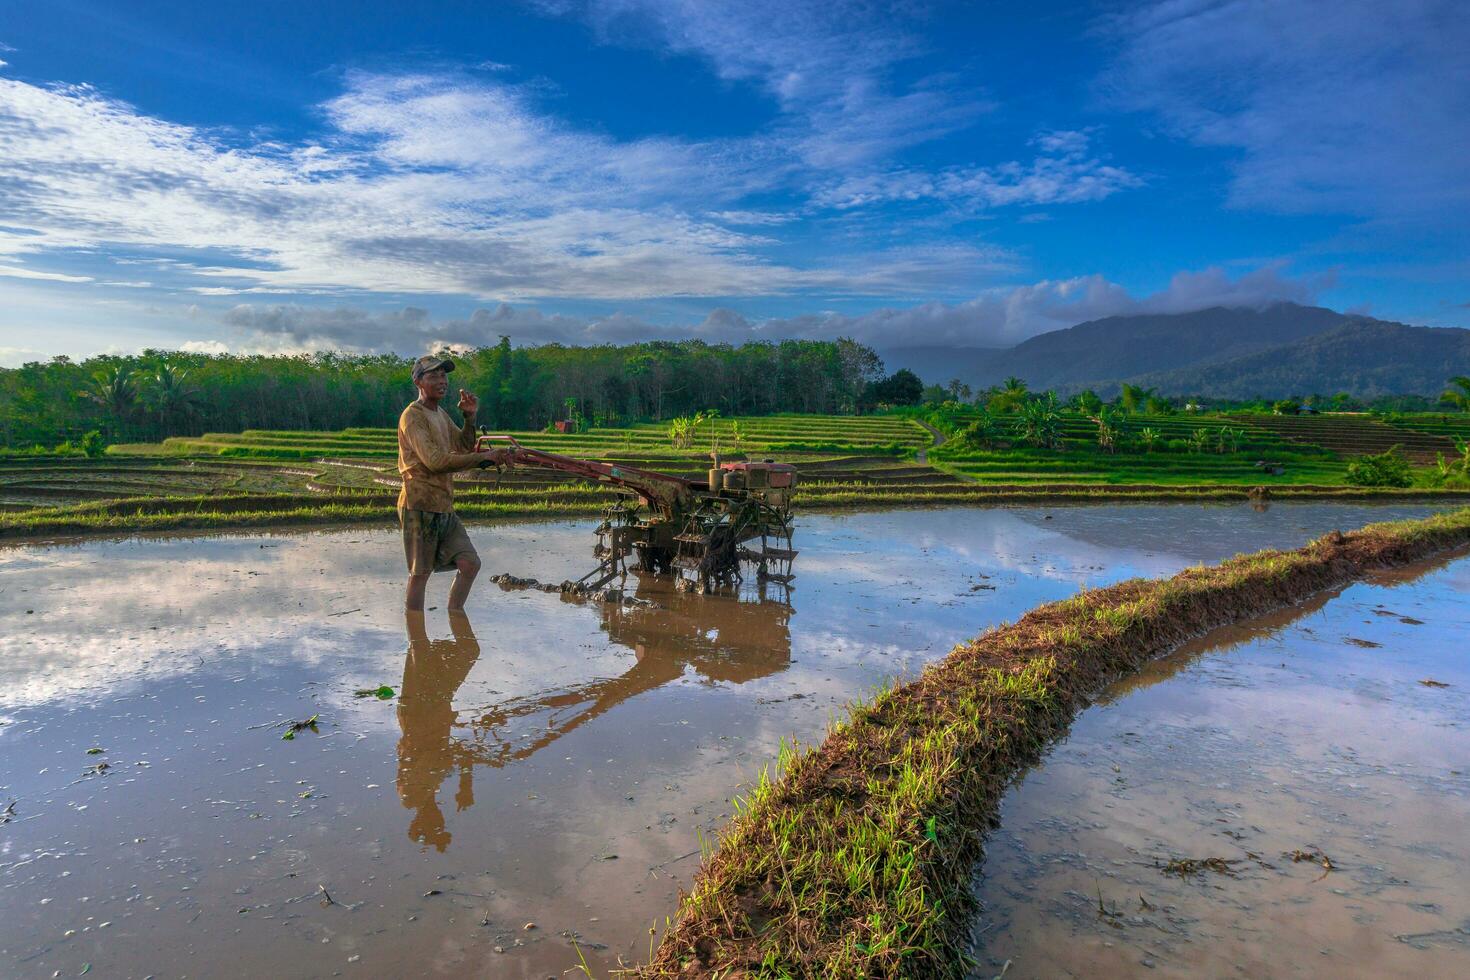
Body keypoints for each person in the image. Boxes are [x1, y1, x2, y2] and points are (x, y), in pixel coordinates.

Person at [396, 354, 507, 611]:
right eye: (433, 375)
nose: (441, 380)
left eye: (443, 375)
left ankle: (455, 615)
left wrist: (469, 418)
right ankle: (417, 639)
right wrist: (482, 458)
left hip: (443, 503)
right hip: (419, 504)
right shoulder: (413, 416)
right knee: (420, 574)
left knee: (470, 563)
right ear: (418, 382)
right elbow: (434, 461)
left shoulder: (441, 414)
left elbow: (463, 445)